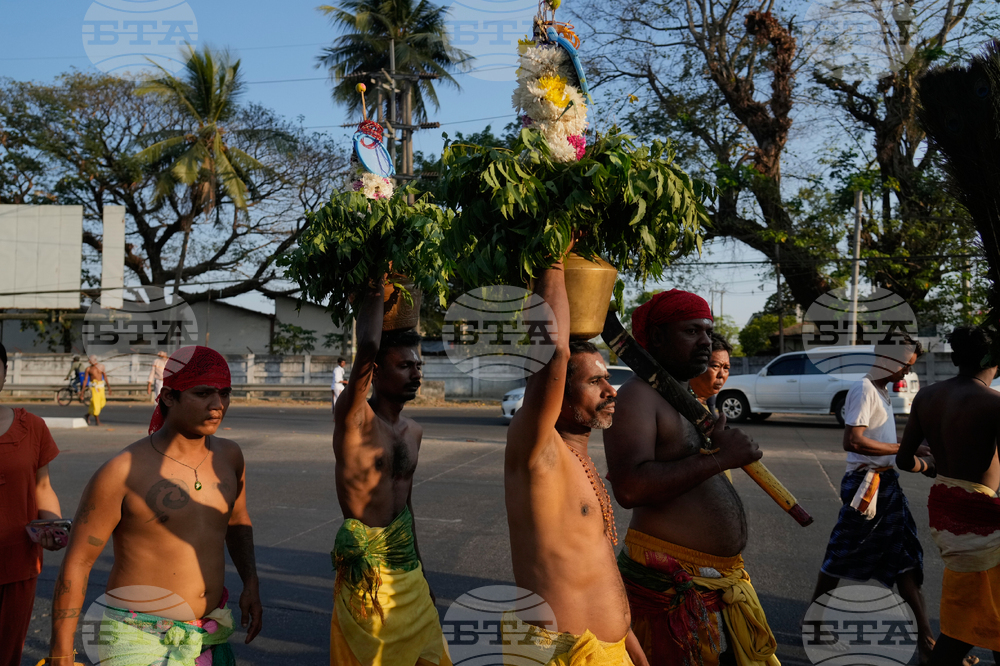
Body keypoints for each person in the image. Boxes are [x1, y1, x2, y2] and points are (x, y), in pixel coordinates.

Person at [48, 345, 262, 666]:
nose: (217, 405)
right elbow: (77, 563)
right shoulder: (122, 470)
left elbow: (237, 522)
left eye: (224, 393)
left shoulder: (229, 457)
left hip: (207, 634)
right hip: (136, 639)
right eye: (203, 393)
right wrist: (61, 651)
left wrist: (251, 583)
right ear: (168, 397)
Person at [604, 290, 777, 666]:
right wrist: (721, 460)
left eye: (707, 330)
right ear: (659, 337)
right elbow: (630, 488)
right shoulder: (637, 396)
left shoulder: (687, 399)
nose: (705, 341)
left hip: (718, 583)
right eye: (691, 331)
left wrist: (716, 447)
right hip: (671, 587)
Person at [505, 254, 646, 666]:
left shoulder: (581, 459)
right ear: (555, 393)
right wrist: (551, 255)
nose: (611, 390)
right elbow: (553, 353)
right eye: (594, 381)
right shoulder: (537, 451)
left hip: (612, 651)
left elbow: (595, 570)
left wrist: (632, 650)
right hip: (561, 655)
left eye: (609, 378)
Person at [329, 278, 450, 666]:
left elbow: (406, 508)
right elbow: (366, 346)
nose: (416, 374)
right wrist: (374, 283)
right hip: (370, 578)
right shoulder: (355, 420)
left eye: (418, 366)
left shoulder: (414, 431)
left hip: (408, 574)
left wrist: (423, 575)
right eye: (404, 366)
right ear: (376, 372)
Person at [813, 335, 935, 661]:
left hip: (885, 483)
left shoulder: (882, 392)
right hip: (866, 487)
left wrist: (914, 454)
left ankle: (926, 641)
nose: (904, 374)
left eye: (909, 367)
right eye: (902, 365)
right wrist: (902, 449)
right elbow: (853, 441)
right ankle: (816, 622)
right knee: (841, 553)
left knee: (905, 557)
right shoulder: (864, 389)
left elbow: (882, 444)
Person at [898, 326, 1000, 665]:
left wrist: (932, 470)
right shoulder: (992, 403)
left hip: (944, 509)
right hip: (983, 519)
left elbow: (903, 458)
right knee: (986, 609)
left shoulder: (927, 397)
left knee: (979, 605)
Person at [0, 342, 66, 666]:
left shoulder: (32, 427)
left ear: (4, 373)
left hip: (18, 562)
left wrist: (52, 527)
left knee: (7, 653)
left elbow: (42, 486)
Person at [690, 333, 733, 418]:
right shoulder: (678, 403)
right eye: (716, 366)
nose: (721, 375)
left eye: (726, 368)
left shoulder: (707, 403)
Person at [81, 355, 110, 426]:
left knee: (102, 402)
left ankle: (88, 415)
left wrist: (109, 387)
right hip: (94, 388)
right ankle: (97, 421)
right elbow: (85, 380)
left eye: (90, 360)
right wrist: (82, 392)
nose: (88, 361)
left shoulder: (101, 367)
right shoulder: (88, 369)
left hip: (101, 387)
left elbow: (105, 376)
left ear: (94, 360)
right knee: (96, 403)